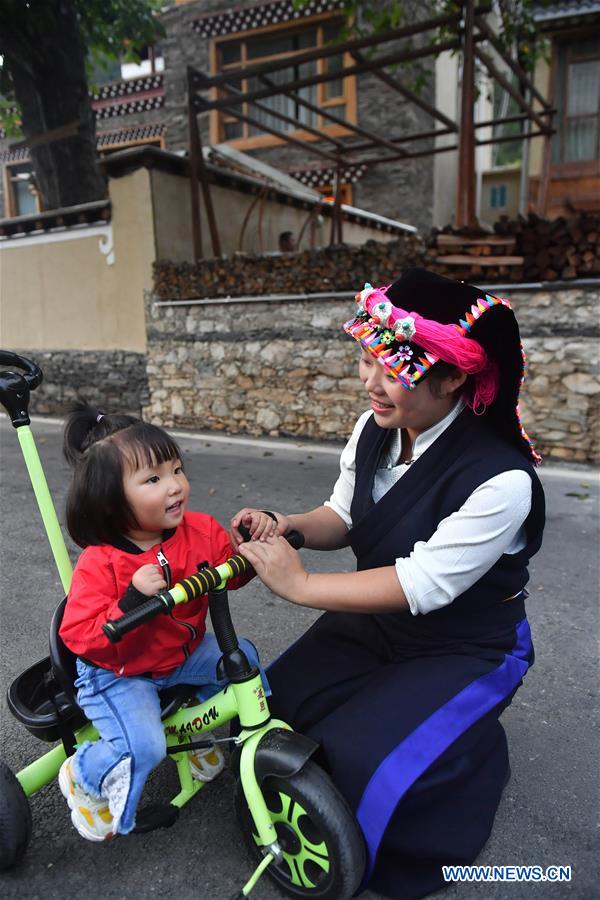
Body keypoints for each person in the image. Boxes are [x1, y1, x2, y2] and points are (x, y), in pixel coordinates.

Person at [231, 268, 545, 899]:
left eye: (392, 366)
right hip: (379, 624)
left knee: (353, 766)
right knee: (270, 713)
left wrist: (299, 586)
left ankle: (463, 752)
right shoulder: (375, 429)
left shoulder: (502, 481)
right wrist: (288, 527)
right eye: (366, 359)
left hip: (465, 646)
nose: (370, 382)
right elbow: (343, 517)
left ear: (455, 376)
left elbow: (420, 584)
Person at [57, 403, 269, 843]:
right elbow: (79, 636)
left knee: (242, 661)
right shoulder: (101, 561)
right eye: (153, 479)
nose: (175, 486)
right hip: (117, 673)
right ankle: (84, 773)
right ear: (112, 500)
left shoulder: (202, 530)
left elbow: (232, 573)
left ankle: (204, 744)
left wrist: (250, 551)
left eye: (177, 469)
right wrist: (132, 599)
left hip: (179, 654)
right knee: (145, 747)